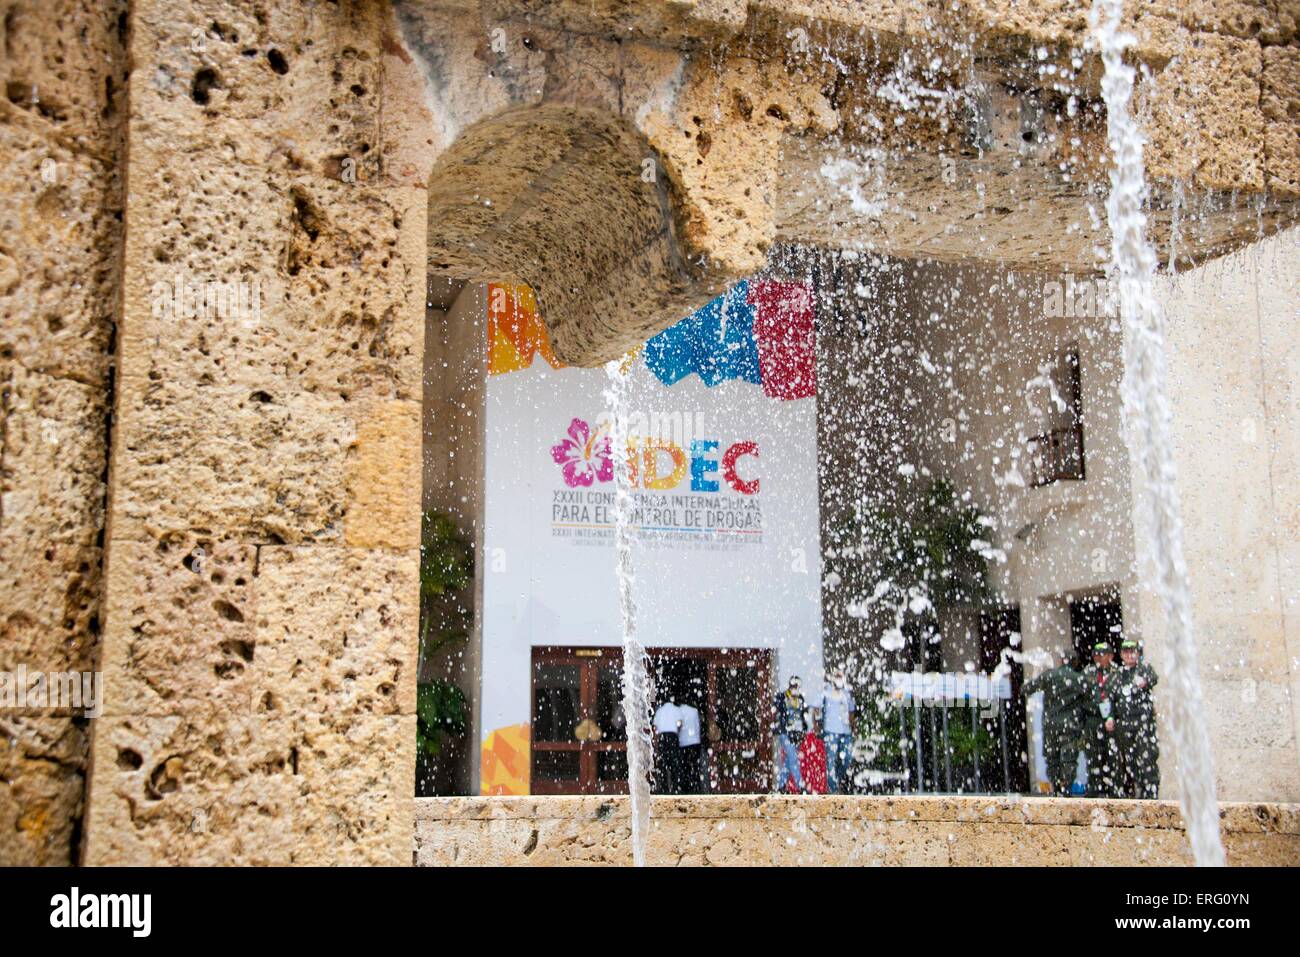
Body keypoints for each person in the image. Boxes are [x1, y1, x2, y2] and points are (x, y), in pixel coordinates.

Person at [1023, 651, 1087, 795]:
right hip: (1070, 726)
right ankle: (1066, 789)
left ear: (1060, 661)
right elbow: (1090, 702)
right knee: (1069, 759)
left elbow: (1026, 690)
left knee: (1052, 758)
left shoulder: (1050, 675)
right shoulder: (1080, 679)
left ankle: (1056, 789)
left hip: (1051, 725)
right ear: (1075, 662)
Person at [1115, 639, 1160, 799]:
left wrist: (1143, 682)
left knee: (1148, 759)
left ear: (1138, 653)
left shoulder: (1143, 668)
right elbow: (1111, 695)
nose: (1129, 655)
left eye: (1132, 651)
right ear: (1121, 654)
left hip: (1143, 724)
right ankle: (1136, 796)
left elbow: (1152, 678)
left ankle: (1151, 796)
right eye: (1126, 652)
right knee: (1130, 762)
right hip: (1126, 726)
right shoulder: (1119, 674)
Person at [1081, 640, 1123, 798]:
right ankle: (1094, 788)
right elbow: (1083, 696)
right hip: (1094, 719)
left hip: (1112, 719)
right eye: (1096, 655)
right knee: (1093, 755)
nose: (1098, 658)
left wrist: (1113, 715)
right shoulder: (1088, 672)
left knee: (1113, 755)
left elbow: (1120, 698)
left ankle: (1115, 790)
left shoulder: (1118, 673)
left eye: (1102, 654)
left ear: (1111, 656)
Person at [820, 668, 856, 794]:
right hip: (830, 731)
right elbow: (817, 709)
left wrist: (853, 728)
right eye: (837, 676)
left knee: (847, 758)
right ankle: (833, 790)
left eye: (841, 676)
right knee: (830, 761)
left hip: (845, 732)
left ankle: (838, 779)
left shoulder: (847, 693)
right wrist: (817, 727)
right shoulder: (827, 691)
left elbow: (852, 711)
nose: (839, 679)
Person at [773, 676, 811, 793]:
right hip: (784, 733)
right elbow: (776, 712)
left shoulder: (801, 699)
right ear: (789, 685)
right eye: (793, 686)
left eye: (797, 686)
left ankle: (781, 786)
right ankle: (801, 786)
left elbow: (804, 716)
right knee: (793, 758)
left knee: (788, 762)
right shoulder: (782, 697)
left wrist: (803, 731)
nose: (795, 688)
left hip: (797, 734)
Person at [653, 696, 683, 794]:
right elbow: (679, 724)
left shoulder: (659, 711)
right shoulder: (677, 710)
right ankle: (675, 787)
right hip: (673, 736)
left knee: (663, 764)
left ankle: (664, 788)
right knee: (675, 763)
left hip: (663, 737)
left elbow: (655, 726)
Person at [676, 700, 704, 794]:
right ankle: (696, 786)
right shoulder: (694, 711)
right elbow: (697, 726)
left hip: (684, 742)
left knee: (685, 767)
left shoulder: (678, 711)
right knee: (695, 766)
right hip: (695, 741)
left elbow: (678, 726)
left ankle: (686, 788)